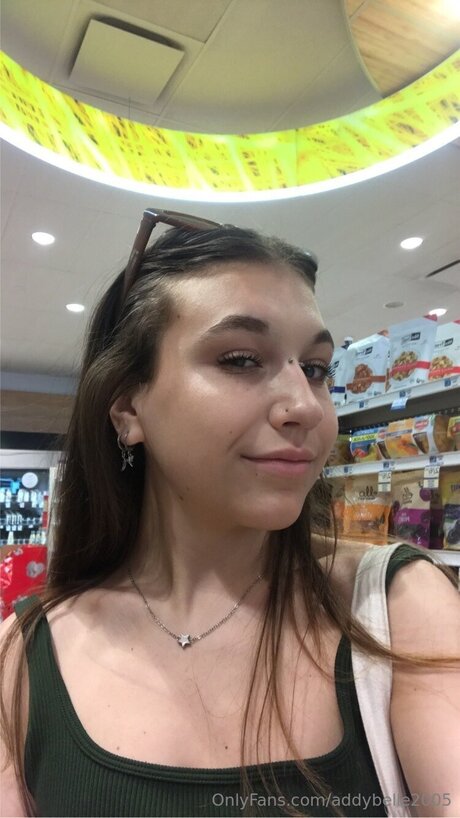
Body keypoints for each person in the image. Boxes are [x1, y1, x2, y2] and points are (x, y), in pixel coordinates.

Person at [1, 210, 459, 818]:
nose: (306, 406)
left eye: (316, 369)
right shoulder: (24, 657)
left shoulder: (397, 606)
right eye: (241, 359)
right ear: (127, 409)